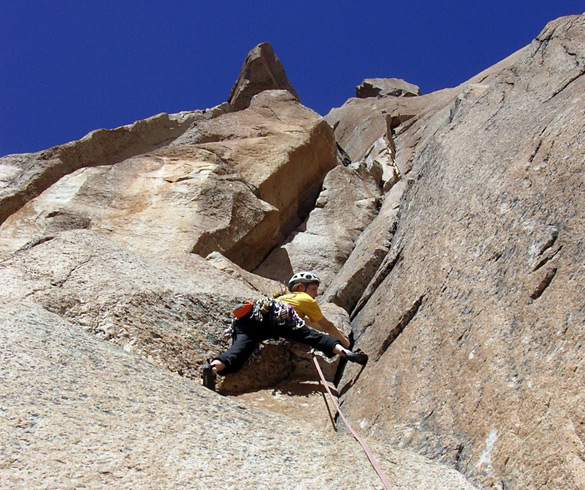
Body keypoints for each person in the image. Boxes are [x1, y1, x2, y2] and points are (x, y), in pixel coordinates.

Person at [201, 271, 368, 391]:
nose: (315, 295)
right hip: (279, 317)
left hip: (248, 319)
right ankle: (346, 353)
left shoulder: (281, 299)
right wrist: (346, 342)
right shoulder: (305, 299)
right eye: (313, 289)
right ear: (301, 287)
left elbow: (306, 322)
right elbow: (325, 327)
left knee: (238, 350)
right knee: (314, 338)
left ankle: (213, 368)